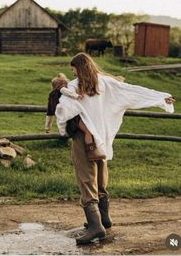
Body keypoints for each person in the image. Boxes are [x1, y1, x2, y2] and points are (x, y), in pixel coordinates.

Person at [55, 52, 175, 245]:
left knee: (86, 179)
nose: (73, 73)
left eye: (74, 69)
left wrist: (62, 112)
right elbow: (131, 91)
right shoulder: (105, 82)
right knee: (101, 176)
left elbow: (63, 111)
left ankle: (95, 227)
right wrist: (160, 98)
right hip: (101, 138)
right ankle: (104, 218)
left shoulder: (75, 86)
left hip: (83, 139)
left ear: (79, 68)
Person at [45, 73, 105, 160]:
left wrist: (47, 127)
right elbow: (69, 93)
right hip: (74, 117)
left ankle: (62, 132)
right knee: (88, 131)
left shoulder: (51, 96)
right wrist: (77, 96)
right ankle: (91, 152)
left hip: (66, 121)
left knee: (62, 124)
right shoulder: (62, 90)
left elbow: (49, 114)